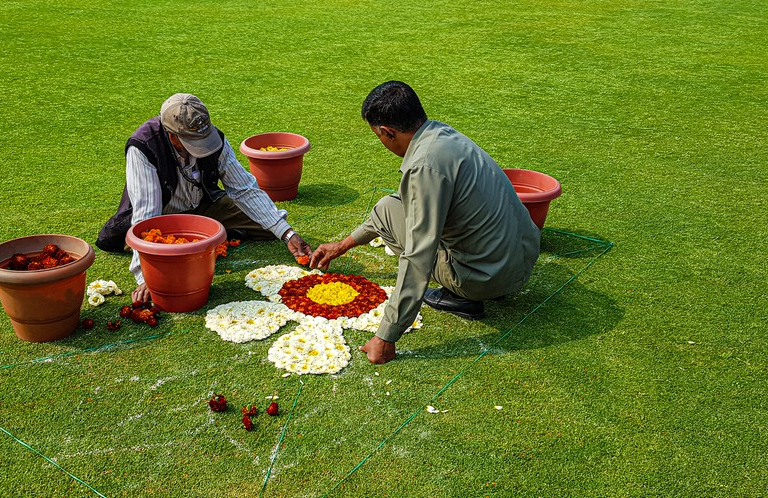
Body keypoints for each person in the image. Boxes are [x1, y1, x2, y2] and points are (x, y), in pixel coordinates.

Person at [309, 81, 540, 365]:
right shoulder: (441, 135)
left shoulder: (423, 165)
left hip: (486, 279)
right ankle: (483, 281)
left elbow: (418, 255)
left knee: (392, 215)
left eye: (377, 136)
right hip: (521, 260)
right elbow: (403, 205)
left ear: (387, 132)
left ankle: (461, 297)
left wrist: (385, 337)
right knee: (389, 206)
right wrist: (344, 244)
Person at [96, 93, 312, 303]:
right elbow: (147, 216)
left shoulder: (214, 138)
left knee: (269, 226)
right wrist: (147, 277)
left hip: (204, 205)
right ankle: (215, 235)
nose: (201, 147)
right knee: (169, 256)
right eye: (191, 141)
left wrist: (287, 234)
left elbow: (244, 189)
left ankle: (216, 234)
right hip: (163, 218)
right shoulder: (144, 147)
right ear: (171, 135)